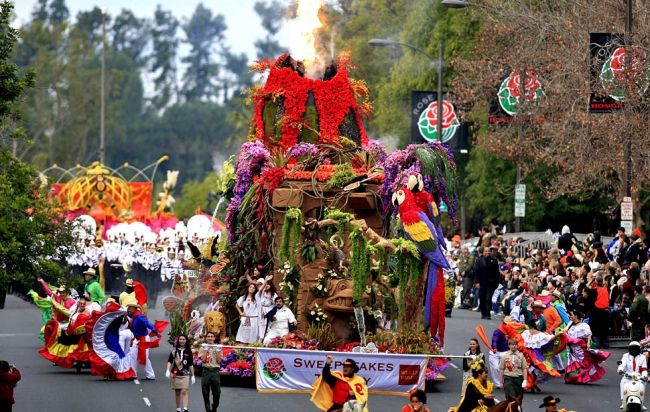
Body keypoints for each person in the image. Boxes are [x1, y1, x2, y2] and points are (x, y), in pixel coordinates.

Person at [564, 309, 610, 384]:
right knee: (572, 362)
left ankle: (581, 378)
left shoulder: (584, 325)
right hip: (572, 348)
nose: (570, 316)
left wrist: (588, 343)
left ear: (576, 316)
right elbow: (565, 333)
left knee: (582, 362)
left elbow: (589, 334)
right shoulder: (570, 325)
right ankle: (573, 378)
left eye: (571, 315)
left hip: (580, 348)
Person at [127, 302, 160, 380]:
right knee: (132, 355)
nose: (128, 309)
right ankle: (133, 374)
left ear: (135, 309)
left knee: (145, 357)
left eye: (130, 307)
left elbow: (147, 323)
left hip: (143, 338)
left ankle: (151, 375)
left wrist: (154, 330)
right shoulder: (132, 316)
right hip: (136, 338)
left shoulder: (140, 316)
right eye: (128, 307)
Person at [165, 334, 195, 412]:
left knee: (184, 391)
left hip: (185, 374)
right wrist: (168, 370)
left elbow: (191, 364)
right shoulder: (174, 351)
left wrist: (193, 375)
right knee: (177, 392)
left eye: (183, 339)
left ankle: (185, 409)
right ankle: (178, 408)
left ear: (186, 341)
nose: (182, 341)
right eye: (180, 339)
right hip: (175, 374)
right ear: (178, 340)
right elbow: (170, 361)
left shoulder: (189, 351)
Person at [473, 246, 501, 320]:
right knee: (482, 298)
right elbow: (476, 272)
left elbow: (497, 273)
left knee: (488, 298)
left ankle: (488, 314)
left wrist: (497, 283)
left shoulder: (494, 261)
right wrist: (476, 282)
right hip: (481, 283)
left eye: (488, 251)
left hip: (491, 283)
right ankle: (483, 313)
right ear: (483, 252)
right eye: (486, 251)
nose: (487, 252)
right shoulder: (479, 260)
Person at [617, 341, 647, 410]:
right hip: (627, 375)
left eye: (635, 348)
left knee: (643, 384)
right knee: (623, 383)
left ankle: (641, 402)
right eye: (632, 348)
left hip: (638, 376)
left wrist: (644, 375)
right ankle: (623, 401)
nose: (633, 350)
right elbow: (622, 365)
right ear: (629, 349)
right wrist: (620, 370)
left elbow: (644, 369)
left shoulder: (642, 357)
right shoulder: (625, 356)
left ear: (639, 349)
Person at [199, 332, 222, 412]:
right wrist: (205, 349)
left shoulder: (218, 347)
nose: (210, 338)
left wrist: (218, 350)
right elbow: (203, 360)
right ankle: (208, 410)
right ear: (206, 338)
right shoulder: (202, 347)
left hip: (215, 372)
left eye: (212, 336)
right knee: (205, 393)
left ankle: (214, 406)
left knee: (217, 393)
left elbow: (219, 361)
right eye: (208, 336)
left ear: (214, 338)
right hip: (206, 371)